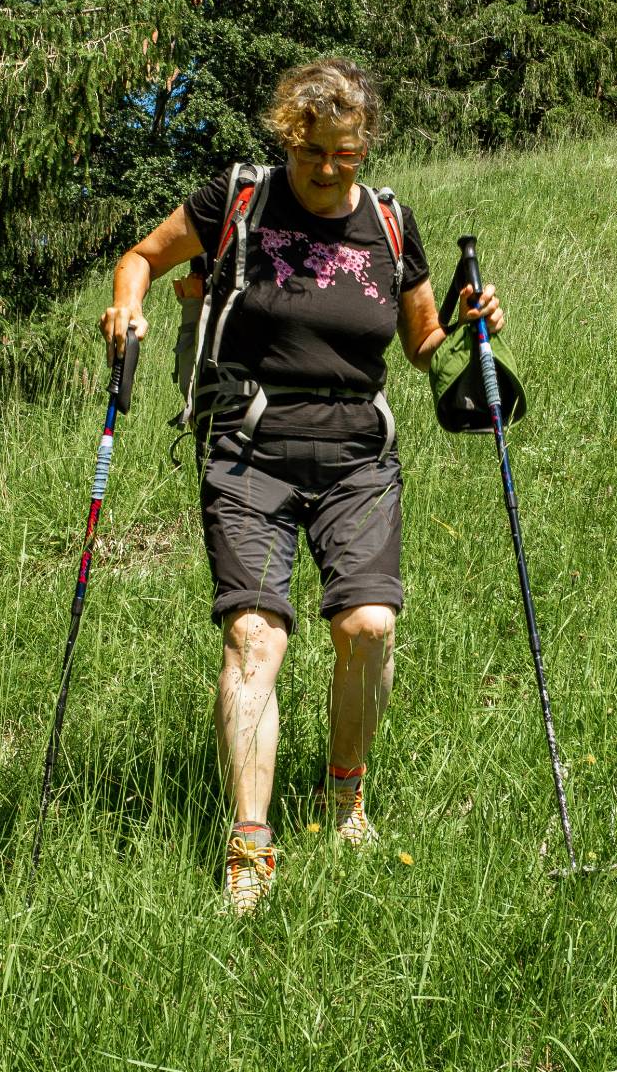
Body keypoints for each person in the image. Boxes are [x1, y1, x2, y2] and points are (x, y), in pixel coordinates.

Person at [100, 60, 503, 914]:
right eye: (311, 151)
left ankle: (343, 794)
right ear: (288, 138)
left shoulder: (391, 222)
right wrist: (126, 306)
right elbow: (140, 256)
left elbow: (422, 340)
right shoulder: (237, 201)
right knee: (256, 637)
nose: (326, 169)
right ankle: (250, 847)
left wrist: (469, 323)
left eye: (343, 153)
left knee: (367, 625)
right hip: (249, 446)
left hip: (358, 450)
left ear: (364, 147)